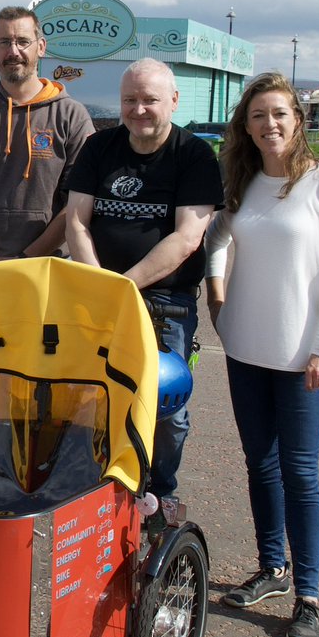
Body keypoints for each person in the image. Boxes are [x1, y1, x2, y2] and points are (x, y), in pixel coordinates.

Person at [205, 72, 319, 637]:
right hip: (246, 348)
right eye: (259, 115)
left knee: (301, 472)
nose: (270, 124)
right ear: (246, 125)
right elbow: (219, 239)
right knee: (261, 464)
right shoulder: (243, 183)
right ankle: (272, 569)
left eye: (280, 113)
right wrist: (217, 295)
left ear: (298, 120)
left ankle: (308, 596)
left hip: (304, 355)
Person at [66, 57, 223, 507]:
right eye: (129, 100)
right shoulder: (100, 148)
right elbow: (77, 221)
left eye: (149, 100)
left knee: (165, 409)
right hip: (97, 296)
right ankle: (95, 493)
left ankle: (160, 494)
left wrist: (124, 287)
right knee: (91, 398)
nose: (138, 110)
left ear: (173, 101)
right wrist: (100, 285)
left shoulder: (193, 155)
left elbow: (188, 236)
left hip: (163, 302)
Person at [0, 6, 94, 286]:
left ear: (41, 47)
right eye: (4, 42)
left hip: (49, 268)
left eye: (23, 42)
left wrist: (26, 259)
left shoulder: (71, 116)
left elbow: (78, 202)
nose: (14, 51)